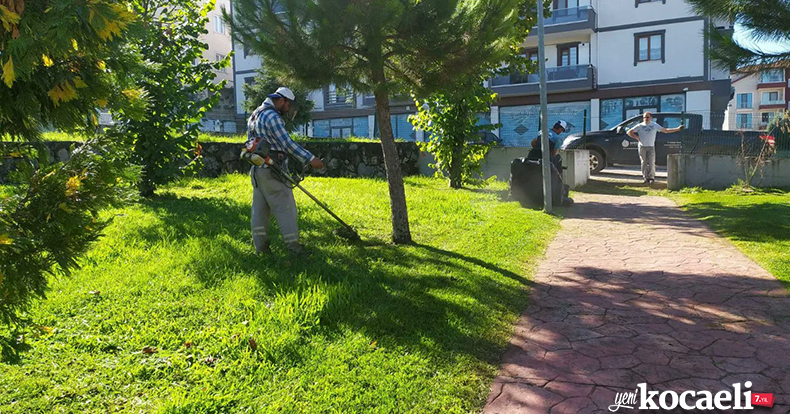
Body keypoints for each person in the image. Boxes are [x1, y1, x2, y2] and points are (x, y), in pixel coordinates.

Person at [245, 87, 324, 255]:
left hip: (257, 171)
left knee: (259, 211)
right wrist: (311, 159)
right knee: (286, 209)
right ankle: (294, 248)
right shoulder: (273, 117)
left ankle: (261, 249)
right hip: (273, 171)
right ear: (281, 100)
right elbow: (287, 144)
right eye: (288, 105)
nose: (288, 110)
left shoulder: (255, 115)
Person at [627, 112, 684, 184]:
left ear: (650, 118)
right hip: (642, 146)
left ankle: (651, 177)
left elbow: (665, 131)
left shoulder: (654, 125)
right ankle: (645, 177)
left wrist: (677, 129)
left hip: (651, 146)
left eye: (647, 117)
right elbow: (629, 132)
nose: (646, 119)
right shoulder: (640, 125)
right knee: (643, 162)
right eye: (644, 117)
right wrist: (636, 137)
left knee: (651, 162)